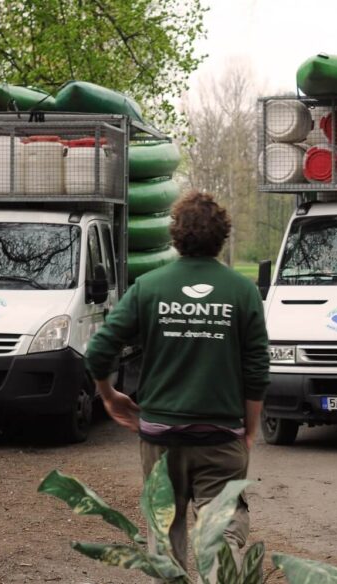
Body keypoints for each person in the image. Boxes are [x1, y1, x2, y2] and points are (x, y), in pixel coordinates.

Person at [85, 190, 269, 578]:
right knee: (219, 540)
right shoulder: (243, 292)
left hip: (160, 439)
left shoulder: (149, 287)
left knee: (165, 541)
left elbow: (100, 348)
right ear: (223, 237)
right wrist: (250, 428)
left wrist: (108, 395)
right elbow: (256, 369)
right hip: (221, 439)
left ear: (175, 236)